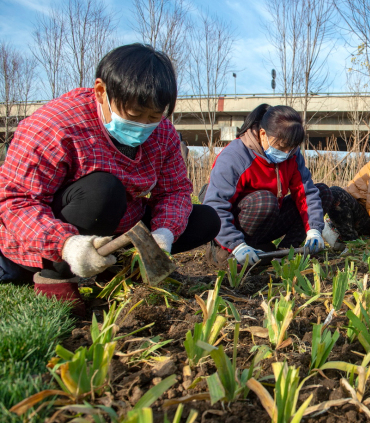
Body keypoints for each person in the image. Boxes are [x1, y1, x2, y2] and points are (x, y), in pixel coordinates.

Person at [0, 43, 220, 313]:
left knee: (205, 220)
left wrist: (163, 233)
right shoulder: (54, 125)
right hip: (56, 232)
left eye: (153, 116)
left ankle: (118, 265)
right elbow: (17, 201)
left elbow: (174, 191)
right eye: (134, 115)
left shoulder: (163, 133)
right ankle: (55, 274)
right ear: (101, 92)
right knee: (103, 190)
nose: (143, 126)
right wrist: (66, 244)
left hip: (119, 228)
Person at [202, 104, 331, 267]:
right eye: (282, 147)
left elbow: (306, 193)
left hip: (269, 220)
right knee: (265, 201)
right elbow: (215, 207)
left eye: (292, 149)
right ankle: (230, 251)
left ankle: (288, 252)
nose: (286, 153)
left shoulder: (292, 154)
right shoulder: (235, 157)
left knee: (322, 192)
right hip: (238, 225)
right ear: (263, 134)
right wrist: (236, 244)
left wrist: (314, 229)